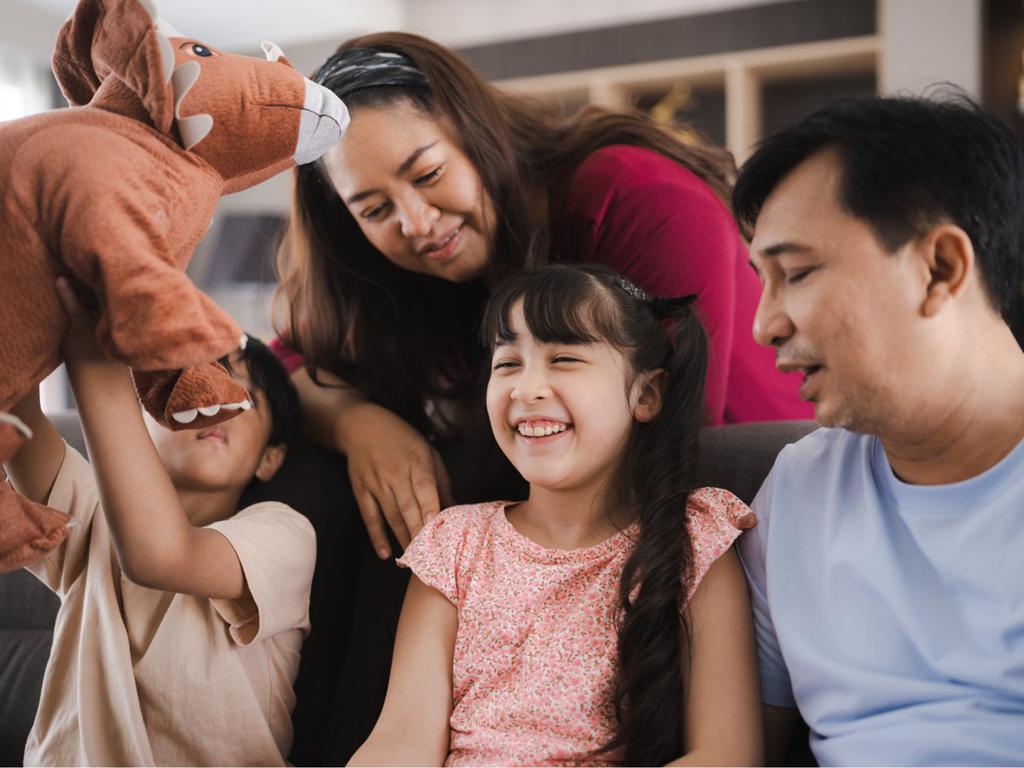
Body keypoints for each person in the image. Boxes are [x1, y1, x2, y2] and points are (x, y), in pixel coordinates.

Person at [269, 35, 807, 758]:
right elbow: (281, 368)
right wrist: (359, 423)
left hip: (703, 455)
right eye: (374, 208)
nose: (417, 221)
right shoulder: (460, 544)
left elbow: (675, 418)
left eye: (427, 174)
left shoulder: (633, 193)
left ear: (472, 129)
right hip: (535, 513)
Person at [349, 263, 761, 766]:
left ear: (646, 394)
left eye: (563, 358)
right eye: (507, 363)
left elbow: (725, 755)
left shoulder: (694, 538)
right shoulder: (455, 544)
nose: (527, 388)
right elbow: (402, 740)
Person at [733, 93, 1024, 766]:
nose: (764, 325)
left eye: (797, 273)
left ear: (940, 268)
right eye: (763, 282)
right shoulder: (799, 490)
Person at [6, 279, 315, 767]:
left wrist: (95, 360)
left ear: (270, 459)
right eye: (177, 389)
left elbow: (163, 556)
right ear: (140, 420)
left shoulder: (284, 533)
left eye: (245, 397)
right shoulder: (91, 511)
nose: (211, 402)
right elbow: (14, 408)